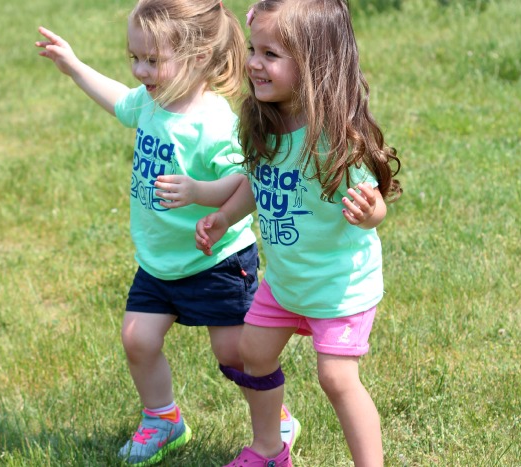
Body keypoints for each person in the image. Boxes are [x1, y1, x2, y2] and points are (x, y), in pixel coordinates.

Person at [35, 1, 300, 465]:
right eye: (134, 58)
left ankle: (276, 418)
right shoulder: (151, 102)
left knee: (235, 355)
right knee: (138, 339)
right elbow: (118, 99)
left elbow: (245, 184)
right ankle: (163, 418)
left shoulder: (215, 122)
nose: (140, 70)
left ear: (198, 57)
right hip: (159, 262)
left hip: (216, 261)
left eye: (153, 61)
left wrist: (200, 192)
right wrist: (74, 66)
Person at [159, 0, 402, 465]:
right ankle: (270, 448)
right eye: (254, 48)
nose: (253, 62)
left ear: (315, 64)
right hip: (286, 283)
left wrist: (370, 212)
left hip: (338, 287)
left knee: (336, 379)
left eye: (270, 54)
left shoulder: (334, 139)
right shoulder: (264, 124)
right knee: (253, 352)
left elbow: (374, 206)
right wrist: (225, 217)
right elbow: (257, 182)